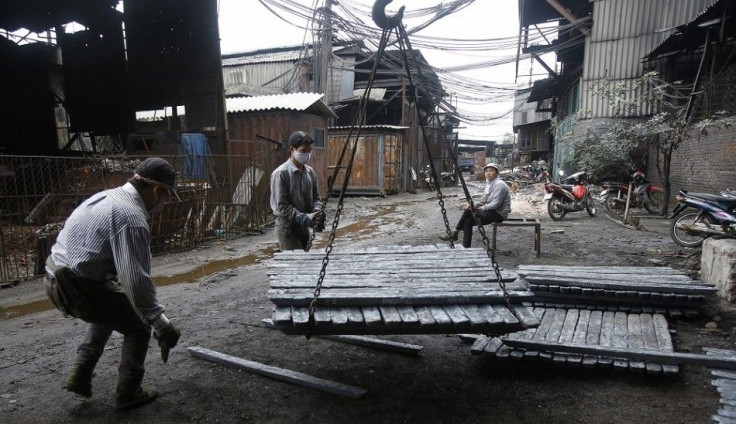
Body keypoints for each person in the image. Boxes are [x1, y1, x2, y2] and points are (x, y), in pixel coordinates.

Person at [44, 157, 181, 411]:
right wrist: (160, 323)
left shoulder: (107, 196)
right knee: (139, 325)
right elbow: (136, 280)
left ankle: (80, 374)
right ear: (156, 189)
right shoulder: (131, 217)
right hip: (76, 286)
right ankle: (129, 393)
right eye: (166, 196)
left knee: (110, 308)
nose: (165, 203)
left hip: (54, 277)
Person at [270, 131, 325, 251]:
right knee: (295, 263)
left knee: (305, 261)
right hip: (287, 228)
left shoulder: (310, 172)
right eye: (303, 151)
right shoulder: (281, 173)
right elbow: (281, 206)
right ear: (292, 149)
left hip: (303, 228)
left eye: (309, 151)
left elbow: (316, 197)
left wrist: (317, 211)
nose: (307, 154)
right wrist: (302, 217)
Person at [441, 163, 511, 248]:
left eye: (491, 171)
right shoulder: (489, 184)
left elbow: (495, 204)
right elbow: (482, 200)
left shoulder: (500, 185)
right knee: (468, 220)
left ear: (496, 173)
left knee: (469, 212)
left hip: (498, 214)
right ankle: (466, 246)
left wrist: (479, 208)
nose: (488, 173)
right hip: (490, 212)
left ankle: (455, 232)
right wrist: (472, 206)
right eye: (486, 171)